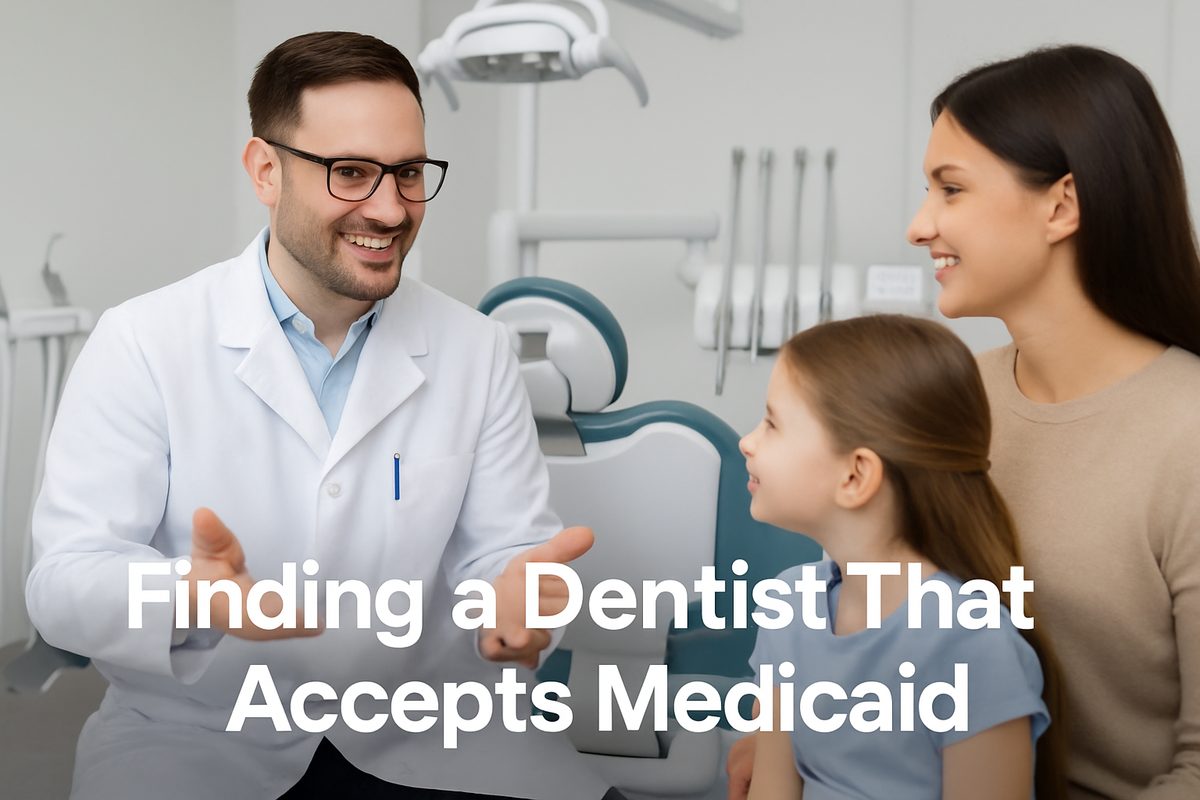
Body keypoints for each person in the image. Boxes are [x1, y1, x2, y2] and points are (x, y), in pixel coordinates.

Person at [25, 31, 619, 800]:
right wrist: (186, 595)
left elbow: (506, 561)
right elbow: (63, 583)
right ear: (265, 170)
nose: (389, 207)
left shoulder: (476, 350)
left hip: (432, 731)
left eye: (408, 174)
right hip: (199, 739)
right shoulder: (143, 341)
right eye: (350, 173)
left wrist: (518, 608)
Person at [729, 44, 1200, 799]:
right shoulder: (949, 404)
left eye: (951, 189)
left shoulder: (1187, 436)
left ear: (1061, 205)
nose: (919, 227)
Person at [740, 315, 1062, 799]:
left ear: (855, 477)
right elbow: (772, 789)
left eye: (771, 423)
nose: (747, 440)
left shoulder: (969, 647)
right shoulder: (790, 602)